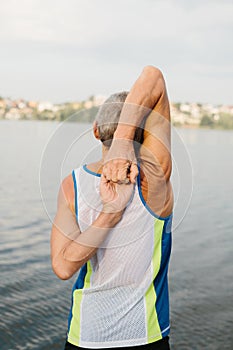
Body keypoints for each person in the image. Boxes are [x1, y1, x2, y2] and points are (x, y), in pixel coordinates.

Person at [50, 65, 173, 350]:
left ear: (95, 131)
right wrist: (112, 211)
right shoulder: (153, 179)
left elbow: (63, 266)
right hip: (144, 336)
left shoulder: (72, 184)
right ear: (144, 134)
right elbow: (153, 77)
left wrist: (107, 215)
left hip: (85, 337)